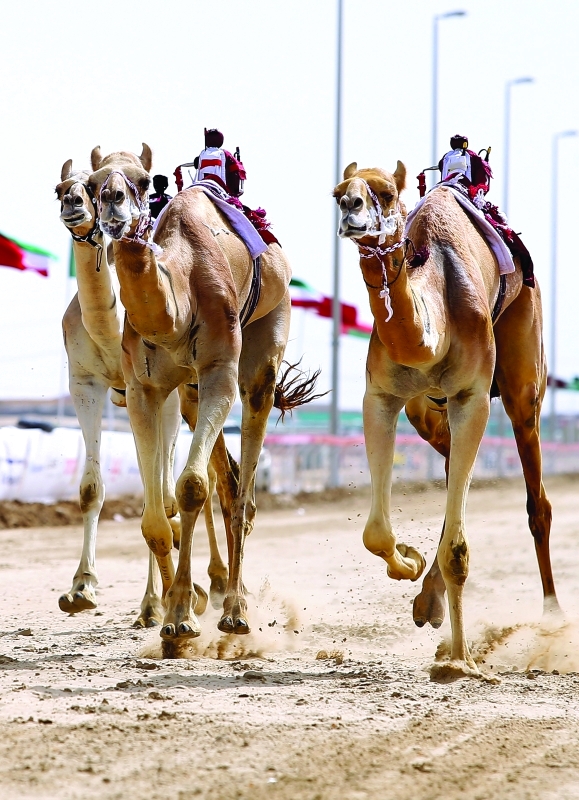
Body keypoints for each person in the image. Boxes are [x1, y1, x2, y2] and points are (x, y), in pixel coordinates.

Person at [438, 134, 492, 205]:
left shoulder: (446, 156)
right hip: (467, 189)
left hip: (444, 186)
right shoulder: (473, 156)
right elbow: (481, 178)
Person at [193, 128, 246, 197]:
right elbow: (235, 175)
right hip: (220, 190)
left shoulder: (202, 154)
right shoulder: (226, 154)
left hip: (201, 187)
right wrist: (235, 192)